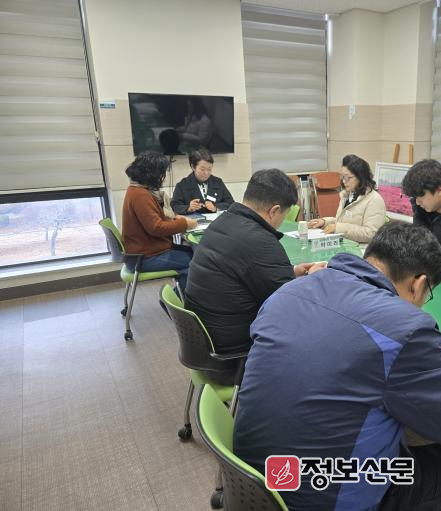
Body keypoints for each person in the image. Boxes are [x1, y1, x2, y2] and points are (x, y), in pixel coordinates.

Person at [234, 222, 441, 511]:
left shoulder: (289, 290)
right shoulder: (406, 328)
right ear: (418, 284)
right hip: (318, 495)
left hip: (253, 481)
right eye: (427, 294)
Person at [184, 169, 325, 364]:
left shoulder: (222, 221)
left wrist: (290, 272)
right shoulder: (260, 240)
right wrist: (312, 279)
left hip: (205, 338)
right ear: (274, 211)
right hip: (234, 350)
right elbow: (292, 305)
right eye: (283, 216)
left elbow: (248, 272)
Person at [121, 151, 197, 290]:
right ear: (152, 174)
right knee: (196, 261)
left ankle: (180, 294)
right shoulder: (141, 195)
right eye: (161, 173)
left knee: (194, 253)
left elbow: (152, 219)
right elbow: (156, 228)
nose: (162, 177)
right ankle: (183, 298)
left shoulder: (135, 189)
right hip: (145, 258)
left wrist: (174, 219)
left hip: (142, 253)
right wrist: (185, 224)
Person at [308, 155, 386, 244]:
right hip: (344, 244)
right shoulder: (347, 195)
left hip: (360, 249)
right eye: (342, 177)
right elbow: (342, 221)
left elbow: (371, 233)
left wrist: (338, 228)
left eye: (348, 177)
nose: (344, 181)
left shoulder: (374, 200)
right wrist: (324, 222)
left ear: (361, 177)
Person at [171, 148, 234, 215]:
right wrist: (188, 208)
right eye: (202, 169)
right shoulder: (182, 185)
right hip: (194, 220)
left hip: (216, 220)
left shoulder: (218, 182)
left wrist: (215, 207)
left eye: (209, 169)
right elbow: (175, 206)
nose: (206, 173)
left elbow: (230, 202)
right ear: (193, 167)